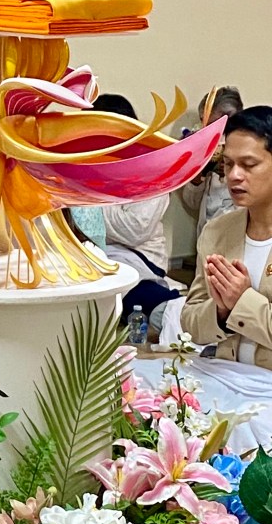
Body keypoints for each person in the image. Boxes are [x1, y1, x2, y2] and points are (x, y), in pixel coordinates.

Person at [182, 106, 272, 369]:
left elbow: (241, 302)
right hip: (228, 375)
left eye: (249, 165)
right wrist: (220, 313)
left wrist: (242, 301)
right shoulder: (218, 231)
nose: (234, 175)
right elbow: (190, 321)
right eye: (228, 164)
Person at [93, 93, 171, 271]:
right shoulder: (85, 163)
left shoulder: (151, 171)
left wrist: (84, 203)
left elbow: (136, 229)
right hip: (94, 252)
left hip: (141, 258)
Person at [180, 87, 243, 240]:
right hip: (207, 237)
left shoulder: (251, 148)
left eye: (213, 124)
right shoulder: (205, 145)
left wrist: (230, 170)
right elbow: (193, 204)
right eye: (204, 122)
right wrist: (197, 176)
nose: (207, 129)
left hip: (237, 237)